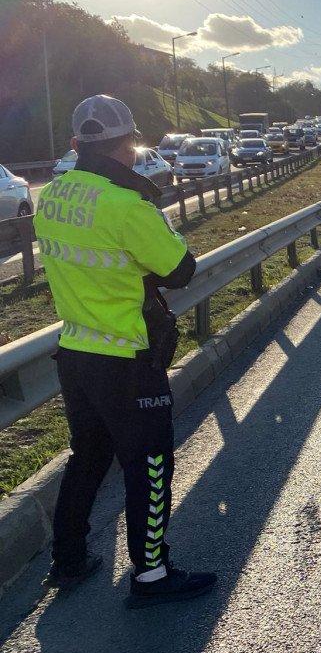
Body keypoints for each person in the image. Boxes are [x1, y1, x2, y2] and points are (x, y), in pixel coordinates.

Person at [34, 94, 217, 608]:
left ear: (76, 145)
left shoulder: (52, 195)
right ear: (131, 147)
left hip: (75, 352)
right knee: (151, 463)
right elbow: (181, 270)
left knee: (88, 457)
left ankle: (67, 559)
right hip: (128, 359)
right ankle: (153, 575)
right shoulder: (127, 206)